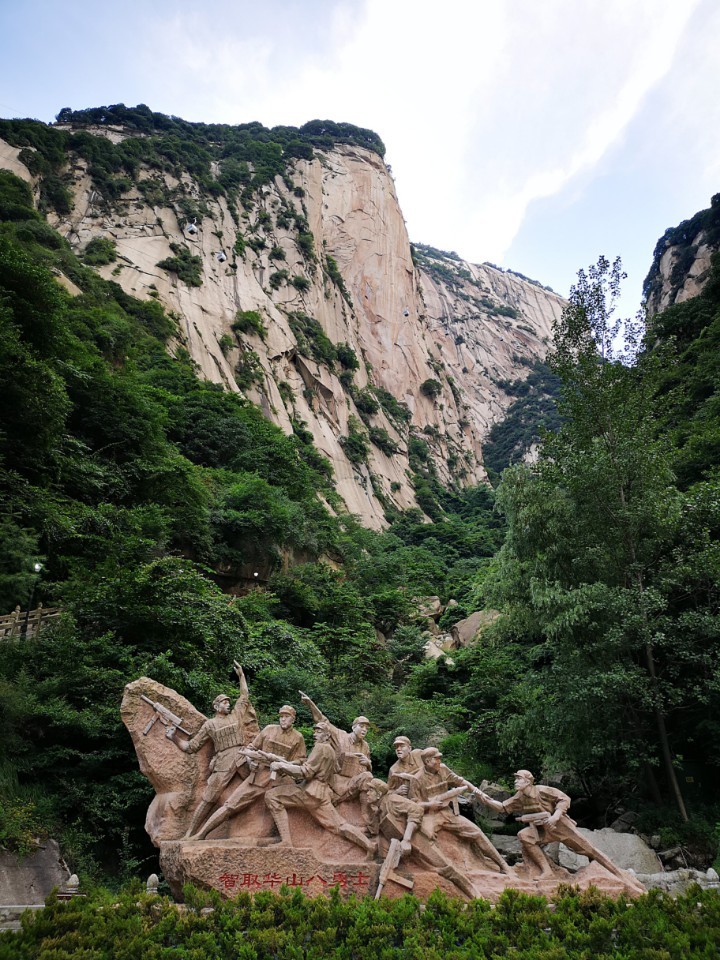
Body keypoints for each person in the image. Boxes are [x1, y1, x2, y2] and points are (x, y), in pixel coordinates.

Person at [475, 769, 630, 881]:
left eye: (519, 779)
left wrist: (555, 816)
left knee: (588, 849)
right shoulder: (520, 796)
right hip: (541, 829)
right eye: (515, 779)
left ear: (528, 781)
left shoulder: (542, 790)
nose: (515, 782)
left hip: (560, 825)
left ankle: (618, 874)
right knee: (524, 836)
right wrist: (485, 800)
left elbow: (564, 799)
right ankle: (547, 872)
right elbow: (503, 807)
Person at [166, 661, 259, 838]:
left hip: (241, 756)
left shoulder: (236, 715)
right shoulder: (210, 725)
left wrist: (241, 675)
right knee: (209, 798)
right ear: (216, 707)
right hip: (223, 762)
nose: (227, 704)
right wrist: (173, 737)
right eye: (224, 702)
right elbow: (190, 747)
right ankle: (190, 834)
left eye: (227, 702)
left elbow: (245, 695)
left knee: (260, 781)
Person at [188, 704, 306, 840]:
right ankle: (201, 834)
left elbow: (301, 760)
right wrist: (251, 762)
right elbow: (251, 748)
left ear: (293, 719)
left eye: (287, 717)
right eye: (281, 716)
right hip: (259, 777)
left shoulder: (298, 738)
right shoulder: (269, 730)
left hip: (281, 779)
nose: (283, 719)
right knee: (230, 805)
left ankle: (287, 841)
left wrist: (285, 765)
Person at [265, 722, 376, 855]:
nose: (315, 734)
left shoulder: (320, 748)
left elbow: (306, 772)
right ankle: (369, 846)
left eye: (319, 731)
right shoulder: (330, 750)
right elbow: (334, 769)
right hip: (322, 795)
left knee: (272, 796)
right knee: (340, 826)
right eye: (315, 731)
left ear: (327, 734)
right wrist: (283, 763)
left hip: (310, 793)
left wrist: (281, 767)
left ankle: (286, 841)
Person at [409, 747, 513, 876]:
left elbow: (460, 781)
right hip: (429, 815)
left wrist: (477, 791)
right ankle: (438, 870)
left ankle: (503, 865)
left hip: (447, 812)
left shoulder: (443, 769)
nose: (439, 761)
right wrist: (429, 804)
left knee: (476, 832)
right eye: (437, 759)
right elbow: (413, 804)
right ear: (427, 761)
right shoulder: (416, 779)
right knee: (423, 837)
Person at [298, 692, 375, 830]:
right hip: (336, 780)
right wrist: (310, 704)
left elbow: (368, 770)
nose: (364, 730)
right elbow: (323, 721)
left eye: (366, 728)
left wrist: (368, 764)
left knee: (368, 777)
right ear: (353, 727)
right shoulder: (340, 736)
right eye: (361, 726)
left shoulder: (366, 746)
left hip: (354, 782)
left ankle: (365, 816)